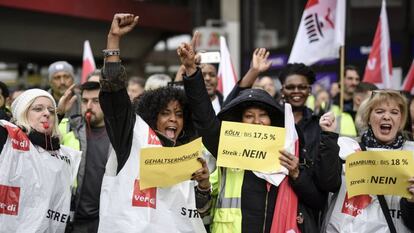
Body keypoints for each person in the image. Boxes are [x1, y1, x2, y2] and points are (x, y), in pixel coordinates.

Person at [178, 33, 326, 233]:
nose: (257, 121)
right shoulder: (227, 145)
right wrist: (191, 71)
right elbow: (204, 119)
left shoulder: (289, 148)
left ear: (272, 120)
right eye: (249, 115)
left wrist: (296, 174)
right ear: (240, 121)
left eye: (263, 115)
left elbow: (317, 200)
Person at [97, 13, 210, 233]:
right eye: (165, 113)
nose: (173, 119)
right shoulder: (132, 139)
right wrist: (113, 40)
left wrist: (203, 186)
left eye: (178, 114)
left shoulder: (188, 153)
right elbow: (114, 96)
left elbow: (198, 213)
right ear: (152, 117)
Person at [318, 90, 414, 232]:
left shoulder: (411, 155)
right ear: (369, 118)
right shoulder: (347, 149)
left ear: (401, 120)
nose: (387, 117)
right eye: (380, 111)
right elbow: (326, 183)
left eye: (394, 112)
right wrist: (329, 136)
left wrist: (412, 202)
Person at [0, 89, 80, 233]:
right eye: (38, 109)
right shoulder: (7, 140)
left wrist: (58, 113)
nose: (47, 113)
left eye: (51, 110)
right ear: (22, 113)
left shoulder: (62, 154)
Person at [58, 81, 111, 233]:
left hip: (105, 220)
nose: (89, 106)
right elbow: (42, 142)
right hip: (72, 220)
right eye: (85, 101)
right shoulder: (66, 127)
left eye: (96, 101)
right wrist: (59, 113)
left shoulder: (117, 134)